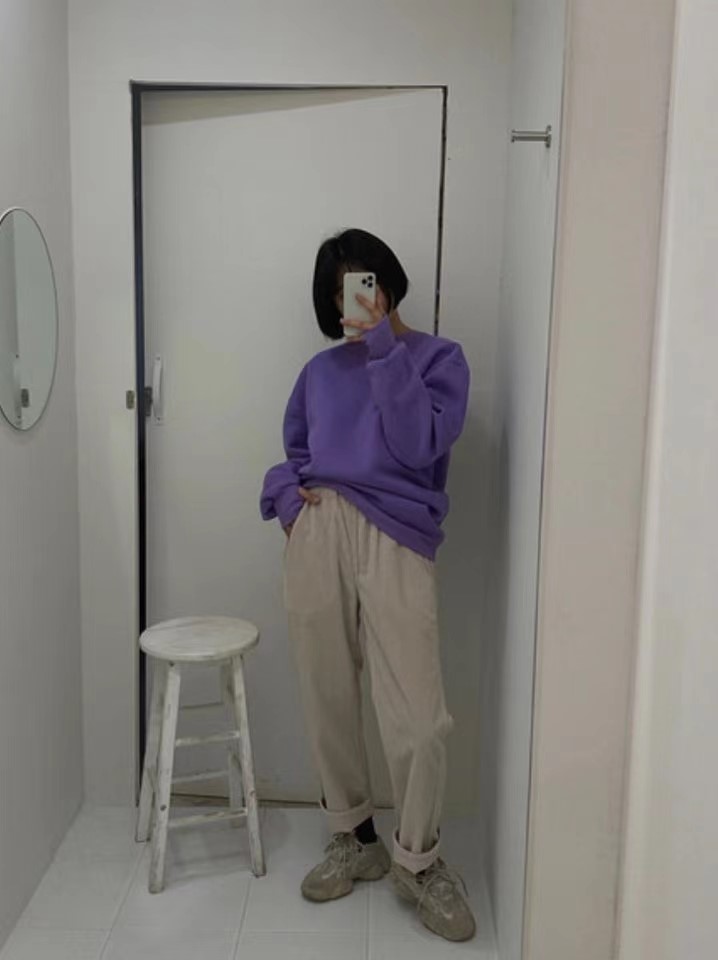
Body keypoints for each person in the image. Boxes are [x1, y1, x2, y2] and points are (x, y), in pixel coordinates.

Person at [260, 228, 475, 942]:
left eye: (364, 282)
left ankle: (419, 861)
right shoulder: (319, 373)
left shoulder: (439, 360)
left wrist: (385, 348)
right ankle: (354, 839)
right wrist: (288, 501)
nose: (354, 300)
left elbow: (417, 446)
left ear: (387, 282)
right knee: (326, 694)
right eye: (341, 291)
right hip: (319, 531)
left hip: (398, 537)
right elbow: (296, 452)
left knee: (419, 718)